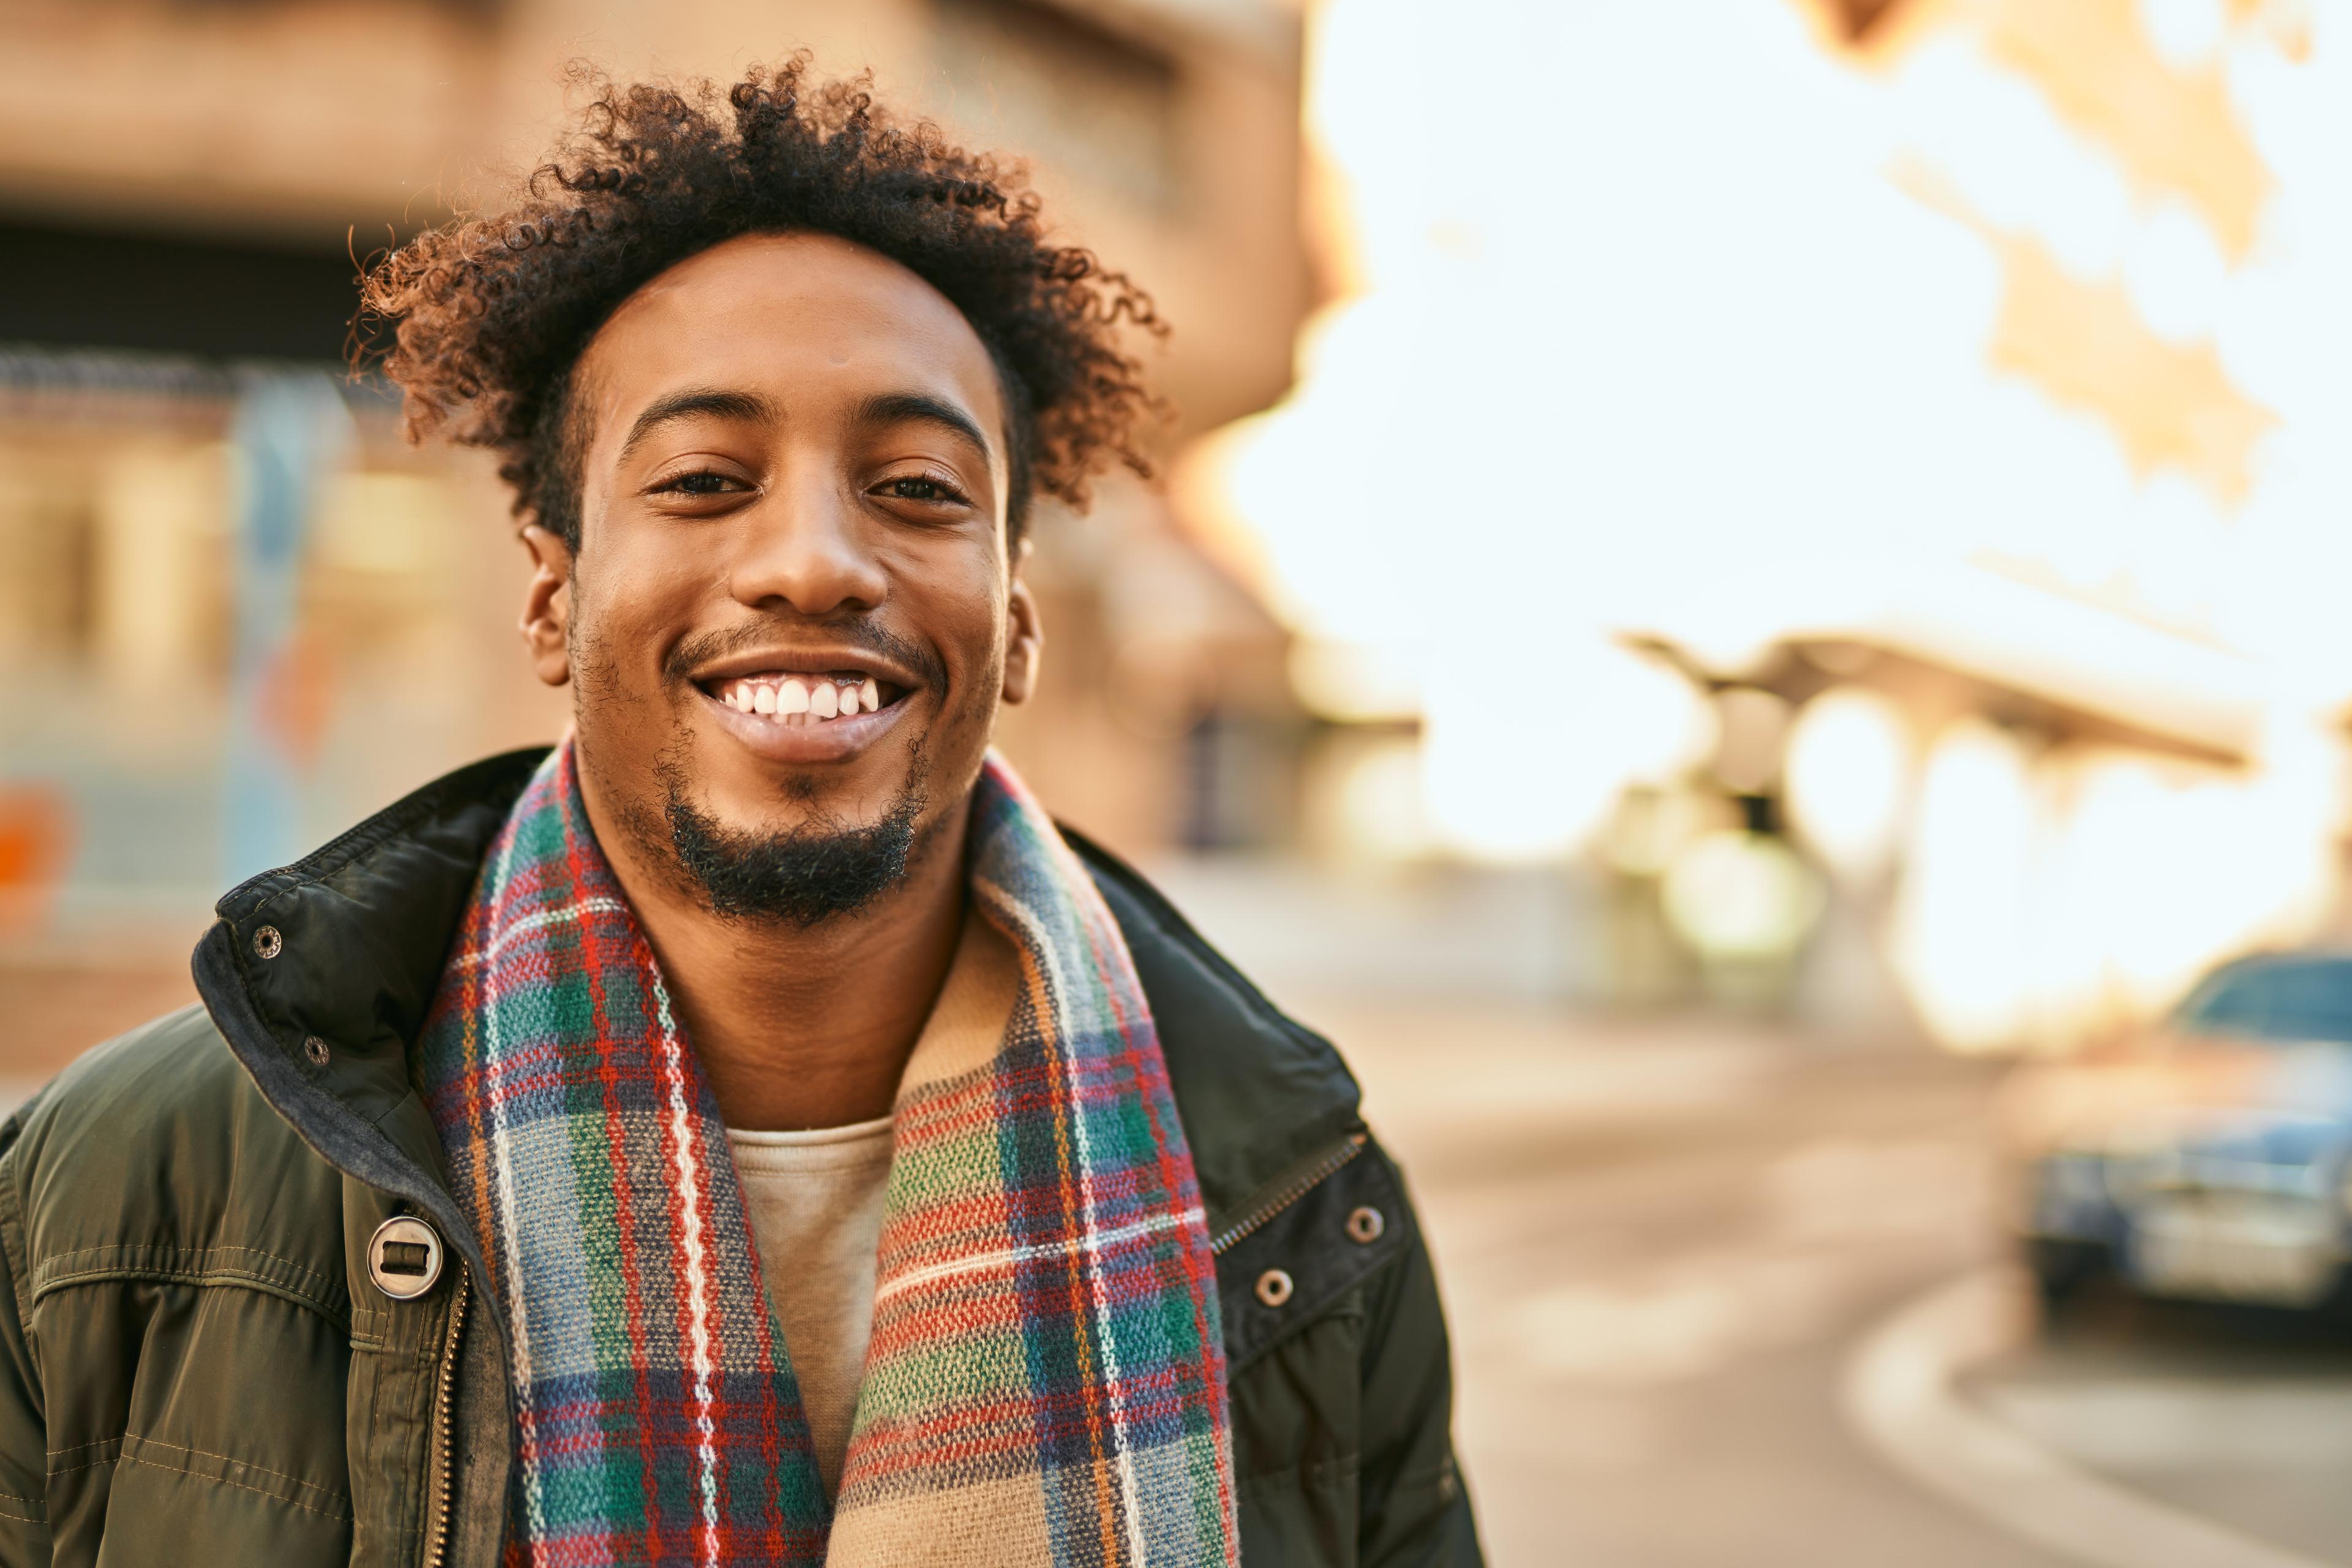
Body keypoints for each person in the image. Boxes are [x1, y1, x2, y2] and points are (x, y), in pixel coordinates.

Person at [0, 62, 1479, 1568]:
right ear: (552, 591)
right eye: (705, 477)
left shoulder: (1308, 1217)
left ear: (1016, 614)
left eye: (915, 486)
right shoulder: (103, 1195)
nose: (815, 562)